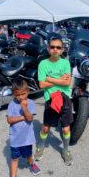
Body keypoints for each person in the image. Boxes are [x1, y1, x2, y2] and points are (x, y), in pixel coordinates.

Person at [34, 37, 73, 165]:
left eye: (58, 47)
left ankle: (65, 150)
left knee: (66, 129)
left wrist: (50, 79)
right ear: (48, 49)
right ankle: (40, 146)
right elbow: (41, 85)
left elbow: (67, 82)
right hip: (50, 99)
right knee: (45, 128)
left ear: (62, 50)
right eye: (52, 47)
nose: (55, 49)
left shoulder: (66, 63)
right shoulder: (43, 64)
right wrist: (59, 80)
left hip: (64, 98)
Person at [6, 79, 40, 177]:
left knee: (28, 154)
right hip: (15, 138)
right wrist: (22, 117)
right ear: (13, 94)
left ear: (28, 91)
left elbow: (30, 118)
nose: (20, 97)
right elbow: (9, 120)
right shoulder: (11, 104)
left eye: (23, 94)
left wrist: (24, 108)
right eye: (17, 95)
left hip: (27, 138)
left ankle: (32, 163)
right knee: (14, 158)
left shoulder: (30, 103)